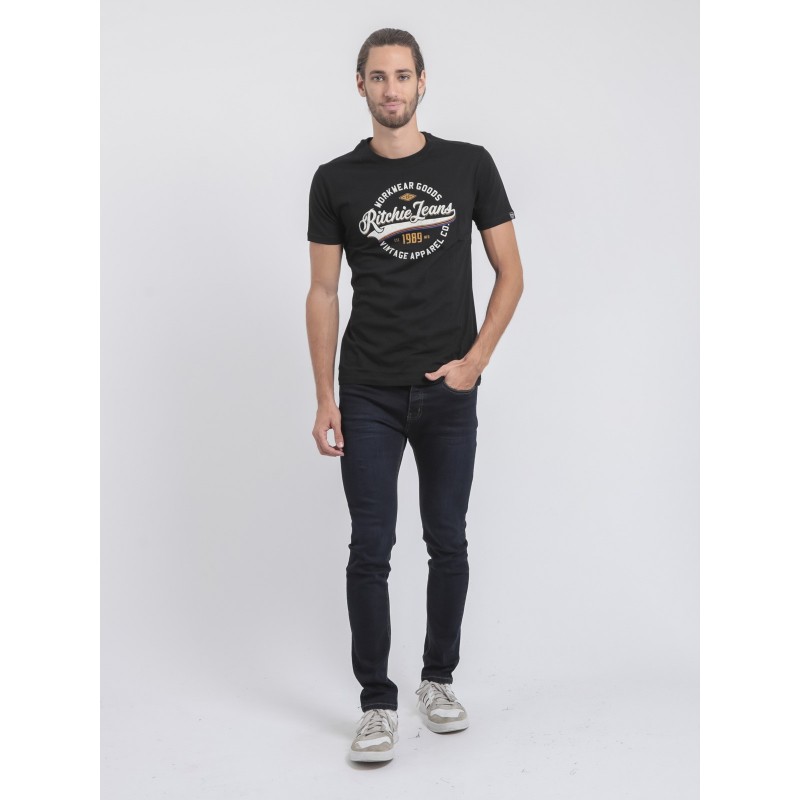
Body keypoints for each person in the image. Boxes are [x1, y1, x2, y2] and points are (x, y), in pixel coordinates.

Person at [306, 27, 524, 763]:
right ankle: (376, 704)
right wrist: (325, 396)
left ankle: (438, 679)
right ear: (360, 85)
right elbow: (323, 291)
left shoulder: (469, 165)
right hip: (367, 390)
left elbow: (511, 273)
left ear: (422, 82)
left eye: (403, 76)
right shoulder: (334, 180)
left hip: (448, 391)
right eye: (378, 76)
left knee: (447, 539)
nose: (391, 89)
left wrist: (475, 362)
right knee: (370, 547)